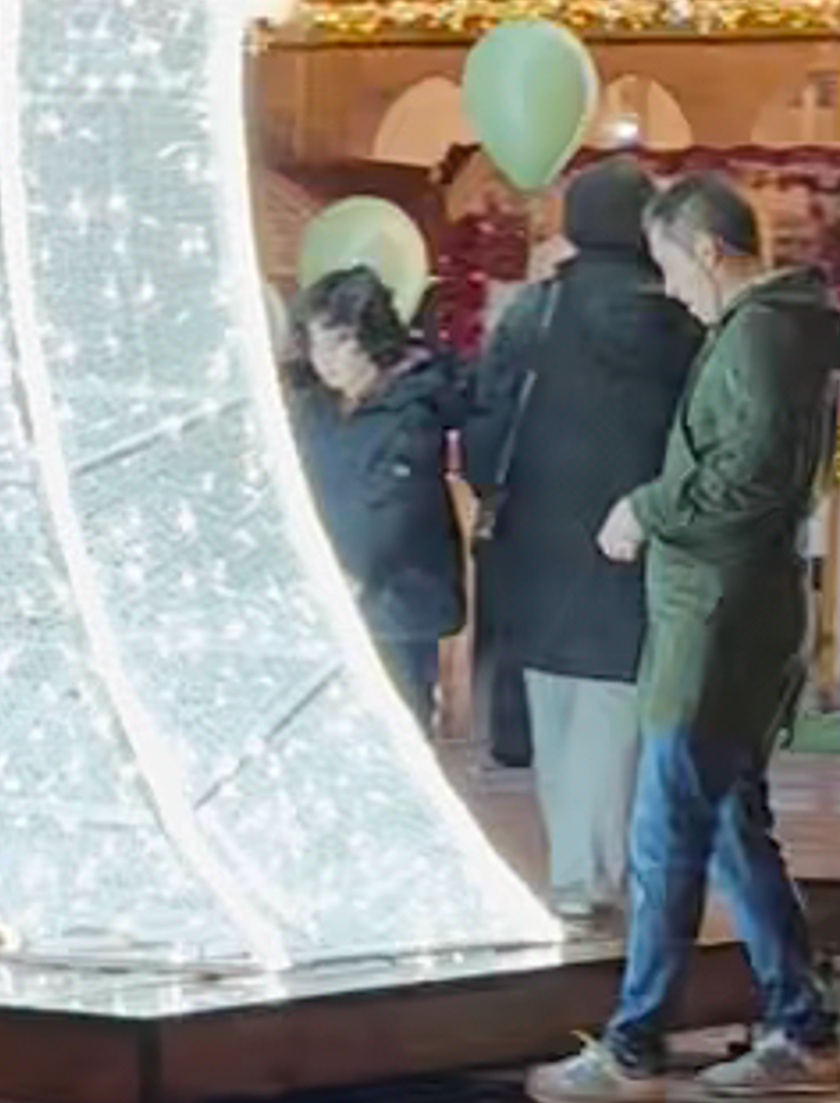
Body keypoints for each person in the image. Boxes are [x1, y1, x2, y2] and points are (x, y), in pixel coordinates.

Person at [532, 171, 840, 1103]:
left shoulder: (757, 338)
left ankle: (635, 1045)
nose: (670, 289)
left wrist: (648, 507)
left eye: (673, 265)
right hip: (738, 608)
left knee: (669, 826)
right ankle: (802, 1026)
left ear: (710, 252)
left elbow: (745, 479)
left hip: (713, 616)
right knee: (725, 824)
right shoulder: (790, 334)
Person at [456, 153, 700, 928]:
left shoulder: (536, 309)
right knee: (615, 700)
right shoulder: (676, 321)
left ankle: (569, 868)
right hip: (633, 528)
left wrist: (495, 489)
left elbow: (490, 410)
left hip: (539, 530)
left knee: (555, 696)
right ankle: (601, 870)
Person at [288, 260, 477, 727]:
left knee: (397, 727)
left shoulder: (412, 407)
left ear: (371, 339)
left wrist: (353, 575)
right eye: (317, 343)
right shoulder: (314, 409)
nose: (326, 358)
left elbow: (396, 509)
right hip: (324, 601)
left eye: (341, 343)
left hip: (395, 605)